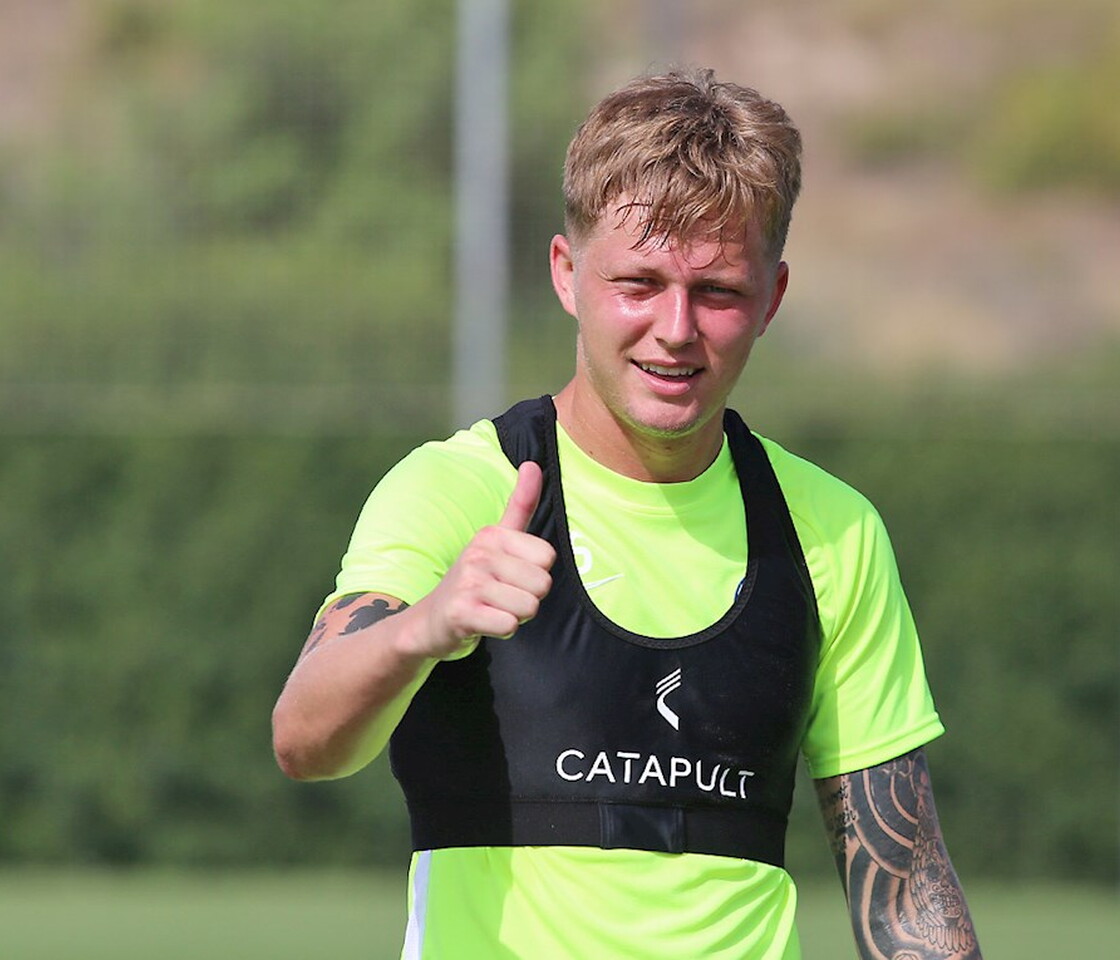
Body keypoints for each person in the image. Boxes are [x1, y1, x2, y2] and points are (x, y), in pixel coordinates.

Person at [272, 68, 982, 960]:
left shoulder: (833, 531)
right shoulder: (458, 489)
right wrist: (427, 626)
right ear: (567, 274)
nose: (676, 328)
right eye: (638, 283)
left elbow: (904, 891)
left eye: (717, 292)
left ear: (772, 298)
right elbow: (304, 740)